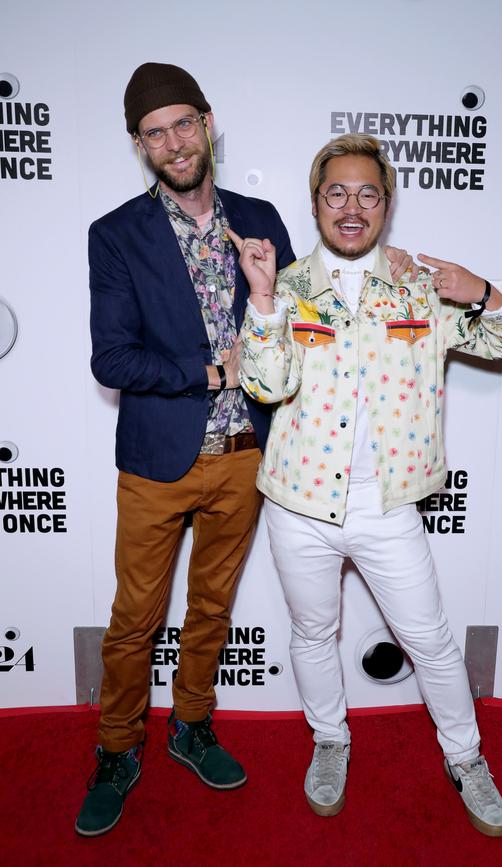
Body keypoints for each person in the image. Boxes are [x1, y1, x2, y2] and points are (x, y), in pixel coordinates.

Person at [77, 66, 413, 838]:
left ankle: (191, 724)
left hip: (246, 456)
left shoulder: (260, 217)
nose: (173, 143)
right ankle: (116, 746)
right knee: (135, 618)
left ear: (207, 122)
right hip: (157, 459)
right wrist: (208, 369)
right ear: (139, 145)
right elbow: (112, 360)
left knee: (212, 607)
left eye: (183, 125)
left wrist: (385, 274)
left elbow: (306, 316)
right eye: (154, 133)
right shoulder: (116, 234)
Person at [233, 133, 502, 837]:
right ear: (316, 203)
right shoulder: (288, 287)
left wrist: (485, 292)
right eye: (336, 192)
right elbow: (265, 383)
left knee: (429, 639)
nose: (351, 206)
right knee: (314, 631)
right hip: (298, 501)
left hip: (387, 503)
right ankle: (330, 739)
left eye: (367, 193)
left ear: (386, 205)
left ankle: (465, 758)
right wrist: (263, 299)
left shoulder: (419, 285)